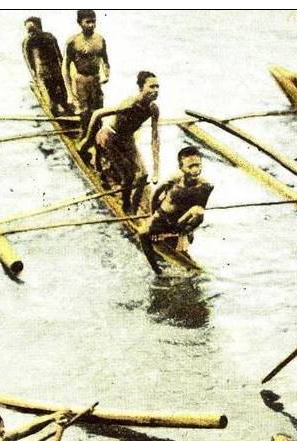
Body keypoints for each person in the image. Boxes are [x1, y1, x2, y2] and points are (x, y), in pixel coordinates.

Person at [77, 71, 161, 213]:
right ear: (141, 88)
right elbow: (97, 114)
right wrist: (87, 140)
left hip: (127, 140)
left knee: (143, 176)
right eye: (151, 87)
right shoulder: (130, 104)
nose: (155, 90)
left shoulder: (153, 109)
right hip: (110, 137)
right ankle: (126, 205)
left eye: (157, 87)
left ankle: (135, 208)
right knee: (128, 177)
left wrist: (156, 170)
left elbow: (155, 138)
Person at [140, 146, 214, 274]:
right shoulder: (173, 180)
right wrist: (153, 216)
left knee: (199, 213)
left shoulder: (206, 186)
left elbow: (200, 211)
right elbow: (155, 196)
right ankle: (156, 269)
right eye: (190, 166)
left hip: (180, 221)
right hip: (162, 216)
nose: (195, 170)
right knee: (142, 233)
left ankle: (181, 238)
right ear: (181, 167)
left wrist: (188, 231)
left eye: (198, 165)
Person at [63, 10, 110, 134]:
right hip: (81, 81)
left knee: (99, 111)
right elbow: (65, 67)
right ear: (80, 23)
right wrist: (69, 93)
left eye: (93, 22)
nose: (91, 25)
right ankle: (85, 140)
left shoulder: (100, 39)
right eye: (87, 22)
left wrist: (107, 74)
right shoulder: (73, 42)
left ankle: (98, 140)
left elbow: (105, 61)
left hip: (95, 80)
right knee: (85, 113)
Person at [21, 17, 72, 116]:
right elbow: (29, 61)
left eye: (32, 30)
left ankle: (66, 109)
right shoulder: (28, 42)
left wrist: (63, 68)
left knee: (62, 90)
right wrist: (35, 75)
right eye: (29, 31)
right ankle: (57, 111)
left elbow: (58, 54)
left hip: (55, 69)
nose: (31, 33)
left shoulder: (49, 37)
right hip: (43, 72)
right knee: (51, 92)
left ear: (39, 27)